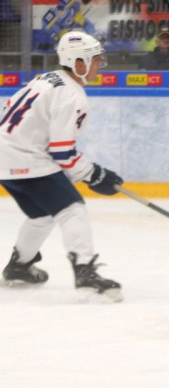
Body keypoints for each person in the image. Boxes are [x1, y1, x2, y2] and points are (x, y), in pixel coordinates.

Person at [0, 30, 124, 302]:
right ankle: (85, 272)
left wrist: (90, 174)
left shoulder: (45, 79)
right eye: (95, 60)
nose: (98, 65)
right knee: (72, 210)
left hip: (4, 156)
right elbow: (63, 152)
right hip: (26, 158)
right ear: (78, 63)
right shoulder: (72, 95)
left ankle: (19, 266)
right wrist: (95, 175)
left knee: (42, 215)